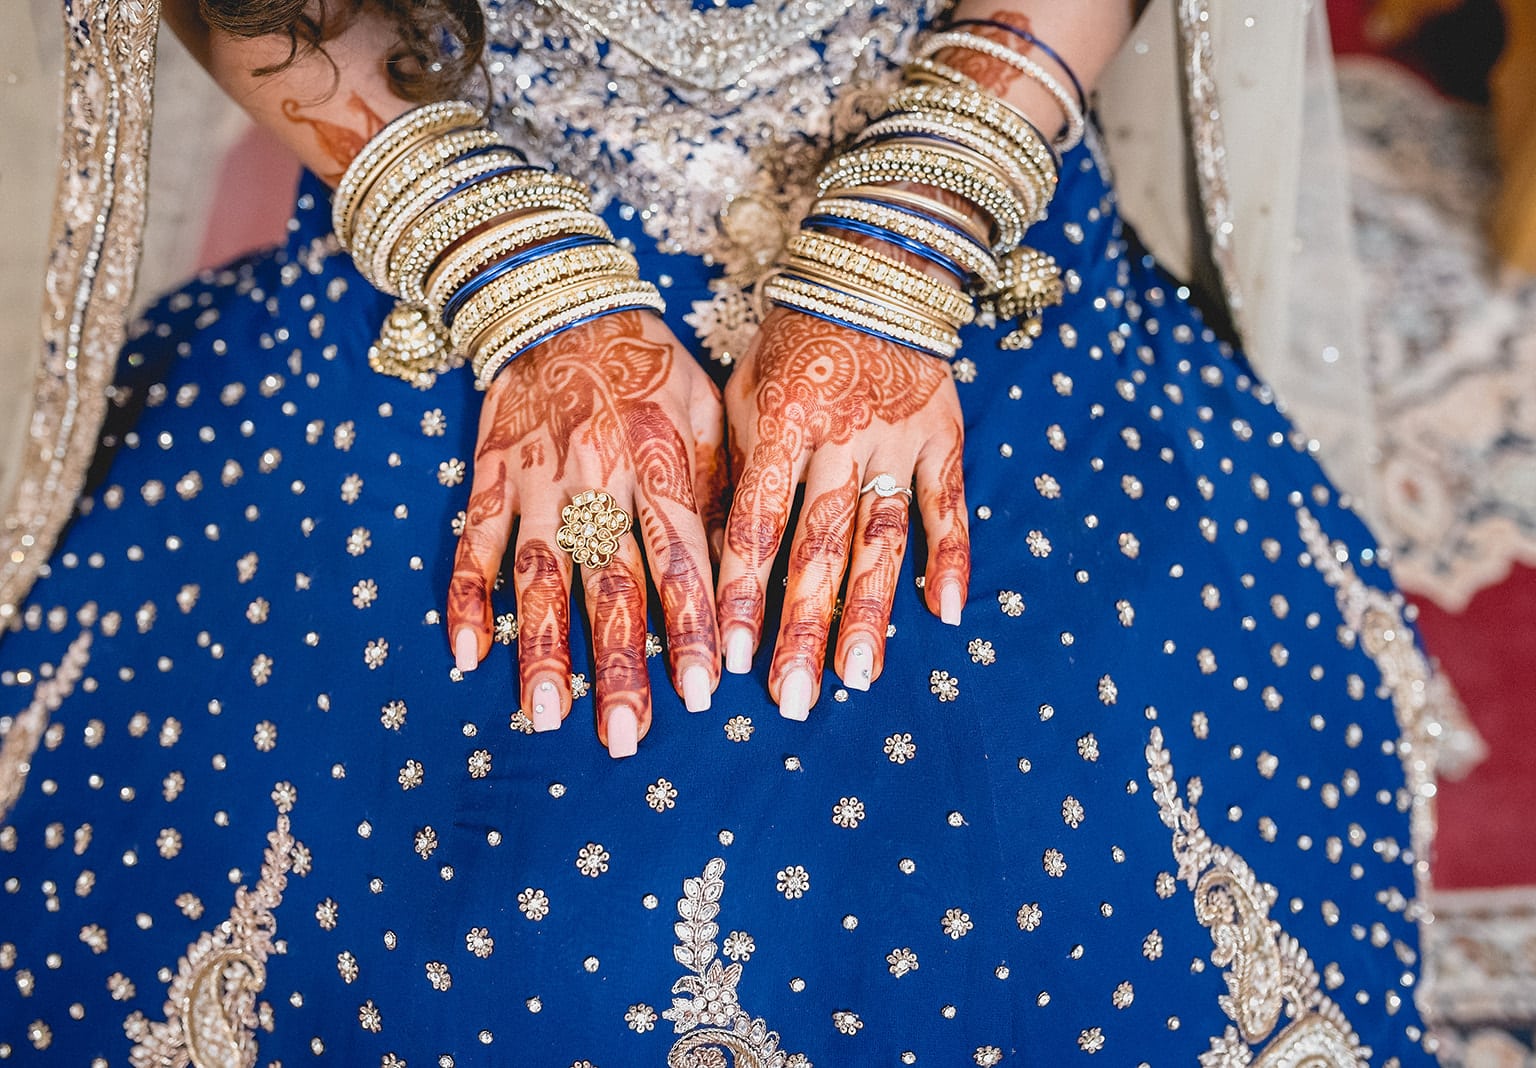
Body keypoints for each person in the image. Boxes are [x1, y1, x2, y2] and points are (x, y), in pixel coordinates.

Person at [0, 0, 1442, 1063]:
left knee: (1065, 883)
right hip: (463, 212)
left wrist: (917, 218)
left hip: (955, 179)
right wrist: (511, 272)